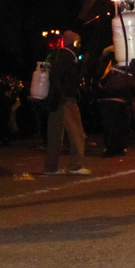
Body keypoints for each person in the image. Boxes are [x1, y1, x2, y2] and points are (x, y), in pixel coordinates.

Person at [43, 31, 91, 176]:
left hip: (55, 100)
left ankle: (51, 166)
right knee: (76, 132)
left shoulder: (57, 55)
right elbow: (65, 78)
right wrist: (66, 93)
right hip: (65, 99)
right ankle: (76, 165)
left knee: (55, 134)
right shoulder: (67, 57)